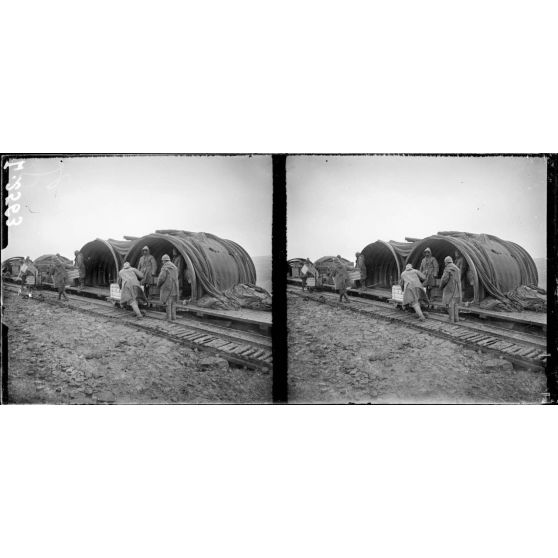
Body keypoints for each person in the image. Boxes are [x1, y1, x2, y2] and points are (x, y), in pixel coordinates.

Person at [157, 254, 179, 321]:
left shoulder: (165, 268)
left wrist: (158, 285)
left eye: (162, 261)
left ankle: (169, 318)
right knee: (173, 304)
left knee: (168, 304)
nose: (162, 262)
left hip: (168, 289)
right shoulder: (175, 267)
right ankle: (174, 317)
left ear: (164, 261)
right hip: (175, 288)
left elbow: (161, 278)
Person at [440, 256, 462, 323]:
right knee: (455, 304)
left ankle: (451, 319)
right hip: (457, 289)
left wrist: (441, 287)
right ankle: (456, 318)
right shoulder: (457, 269)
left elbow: (444, 279)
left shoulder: (448, 269)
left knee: (448, 304)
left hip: (450, 289)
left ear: (446, 262)